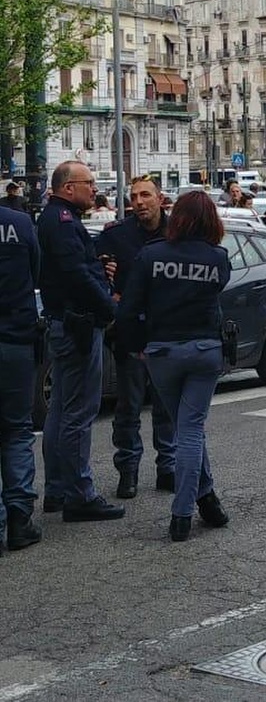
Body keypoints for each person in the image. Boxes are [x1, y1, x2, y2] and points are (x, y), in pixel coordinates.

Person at [116, 191, 232, 543]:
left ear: (177, 217)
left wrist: (137, 348)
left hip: (163, 352)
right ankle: (190, 508)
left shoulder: (152, 256)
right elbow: (219, 288)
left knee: (187, 430)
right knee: (190, 430)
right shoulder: (218, 258)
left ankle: (198, 503)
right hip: (205, 350)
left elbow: (128, 309)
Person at [38, 161, 122, 522]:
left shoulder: (60, 219)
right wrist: (108, 305)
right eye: (88, 183)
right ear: (68, 188)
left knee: (60, 409)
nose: (94, 189)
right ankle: (79, 494)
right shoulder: (62, 222)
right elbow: (73, 275)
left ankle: (58, 488)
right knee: (78, 413)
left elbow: (75, 269)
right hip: (78, 326)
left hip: (67, 322)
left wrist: (97, 269)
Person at [97, 175, 176, 500]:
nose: (139, 202)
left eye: (145, 195)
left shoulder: (178, 234)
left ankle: (167, 468)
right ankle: (127, 471)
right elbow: (96, 276)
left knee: (166, 407)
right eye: (134, 196)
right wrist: (109, 296)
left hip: (168, 335)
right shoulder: (116, 236)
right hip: (130, 337)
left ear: (160, 198)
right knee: (128, 407)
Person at [0, 200, 43, 552]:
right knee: (16, 429)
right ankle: (18, 519)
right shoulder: (20, 223)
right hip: (15, 339)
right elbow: (36, 270)